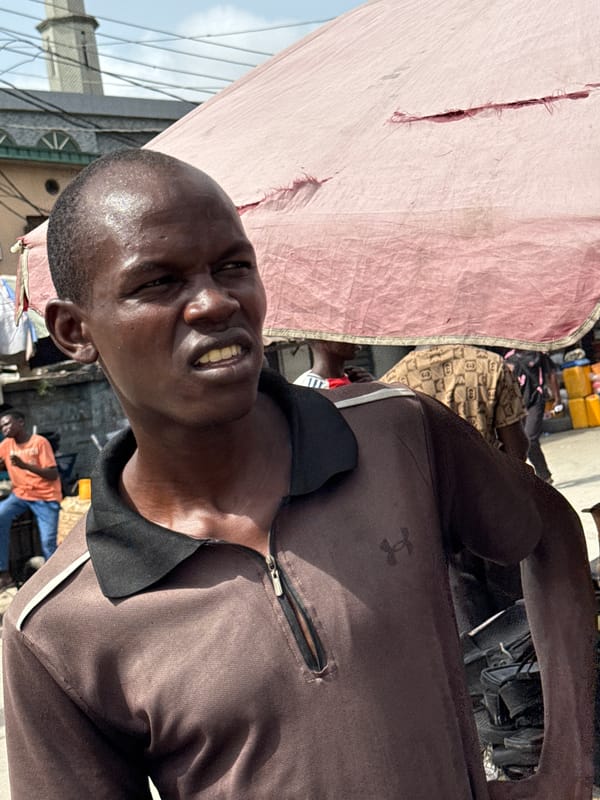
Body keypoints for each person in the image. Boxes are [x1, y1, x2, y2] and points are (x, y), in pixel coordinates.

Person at [2, 149, 594, 800]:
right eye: (160, 283)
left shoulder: (398, 434)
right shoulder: (60, 627)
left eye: (233, 266)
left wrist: (567, 763)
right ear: (72, 330)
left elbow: (552, 533)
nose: (213, 303)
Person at [380, 344, 529, 630]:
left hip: (439, 525)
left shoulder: (392, 384)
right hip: (496, 515)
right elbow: (517, 449)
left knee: (469, 629)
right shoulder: (491, 365)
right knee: (519, 624)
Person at [380, 344, 528, 458]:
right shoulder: (491, 366)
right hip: (487, 488)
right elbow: (517, 449)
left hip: (426, 495)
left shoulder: (389, 383)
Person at [0, 410, 62, 590]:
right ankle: (4, 573)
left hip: (45, 497)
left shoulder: (40, 443)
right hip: (20, 495)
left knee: (48, 542)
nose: (4, 428)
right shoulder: (6, 445)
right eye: (2, 426)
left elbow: (53, 474)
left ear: (20, 422)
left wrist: (25, 465)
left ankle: (55, 581)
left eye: (7, 424)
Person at [504, 349, 561, 483]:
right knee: (522, 441)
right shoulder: (508, 358)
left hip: (536, 400)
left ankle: (544, 475)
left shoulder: (538, 354)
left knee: (530, 438)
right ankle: (541, 475)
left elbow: (551, 374)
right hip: (518, 404)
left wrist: (557, 399)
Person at [293, 339, 374, 388]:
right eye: (346, 332)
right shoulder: (310, 391)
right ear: (323, 337)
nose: (356, 340)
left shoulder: (358, 379)